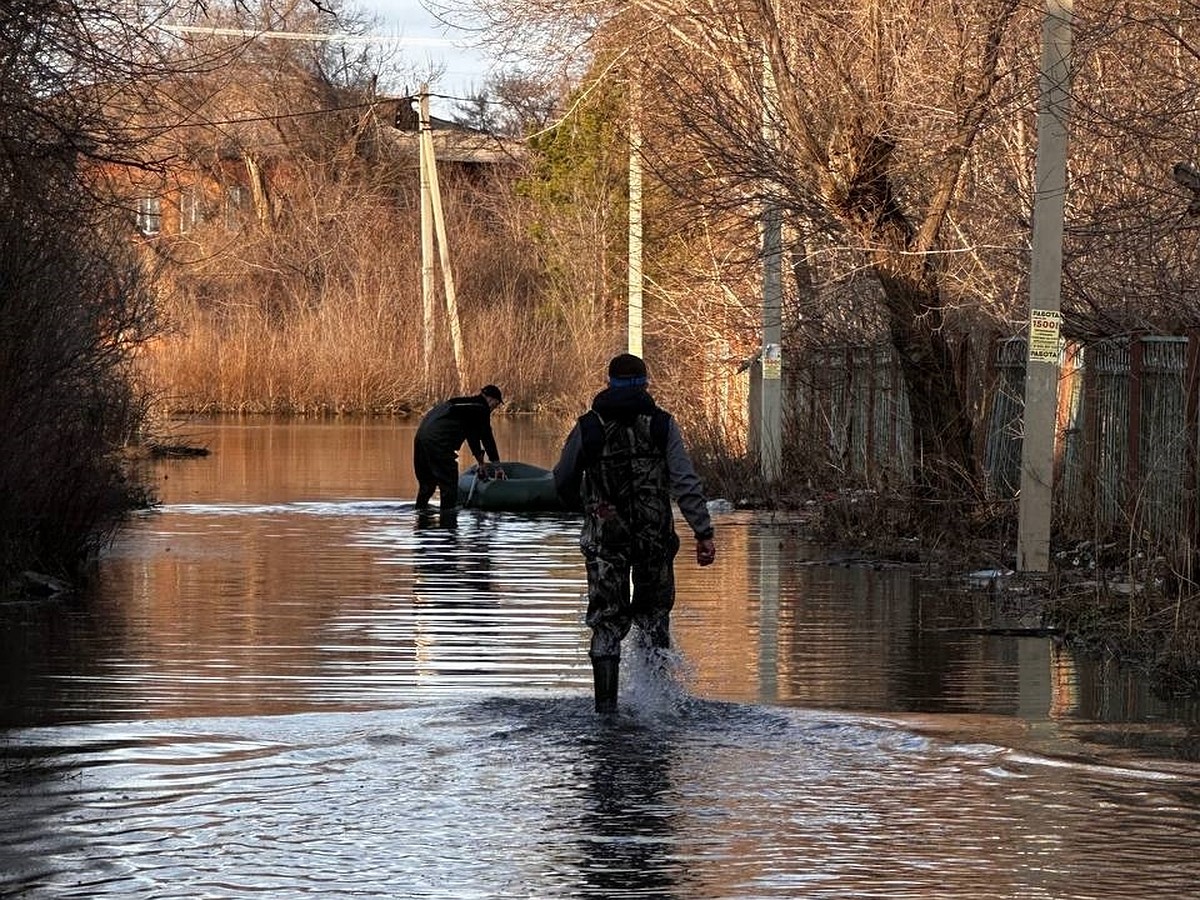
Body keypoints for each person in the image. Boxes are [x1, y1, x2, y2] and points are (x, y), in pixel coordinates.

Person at [553, 353, 716, 714]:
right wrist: (703, 532)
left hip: (605, 542)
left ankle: (606, 714)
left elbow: (562, 480)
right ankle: (657, 705)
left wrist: (588, 508)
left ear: (607, 382)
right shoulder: (661, 425)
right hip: (653, 541)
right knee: (654, 619)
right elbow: (685, 482)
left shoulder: (589, 427)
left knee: (606, 625)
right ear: (645, 383)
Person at [413, 384, 503, 514]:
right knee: (449, 485)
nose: (494, 408)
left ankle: (420, 515)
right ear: (490, 399)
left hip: (421, 438)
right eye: (496, 404)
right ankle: (448, 521)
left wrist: (481, 463)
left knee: (427, 486)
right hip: (439, 442)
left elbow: (472, 437)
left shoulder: (463, 405)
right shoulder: (481, 408)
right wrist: (497, 466)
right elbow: (487, 438)